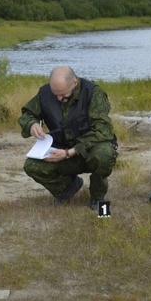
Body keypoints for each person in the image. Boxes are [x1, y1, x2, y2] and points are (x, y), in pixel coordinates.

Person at [18, 66, 118, 209]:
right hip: (62, 148)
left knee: (104, 154)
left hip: (91, 150)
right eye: (55, 94)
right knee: (32, 166)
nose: (58, 98)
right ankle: (67, 188)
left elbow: (103, 131)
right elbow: (28, 113)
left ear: (74, 83)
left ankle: (98, 197)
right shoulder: (45, 93)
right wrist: (32, 124)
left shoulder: (93, 93)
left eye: (63, 94)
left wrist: (69, 153)